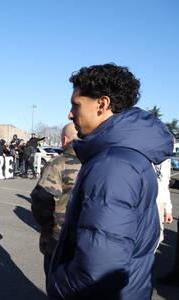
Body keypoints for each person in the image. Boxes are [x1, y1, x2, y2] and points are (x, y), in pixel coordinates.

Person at [47, 63, 174, 299]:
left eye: (76, 105)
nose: (70, 114)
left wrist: (58, 285)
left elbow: (99, 269)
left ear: (102, 104)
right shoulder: (123, 156)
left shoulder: (113, 165)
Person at [30, 122, 81, 280]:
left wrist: (45, 228)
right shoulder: (100, 159)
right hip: (92, 239)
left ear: (65, 139)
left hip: (61, 237)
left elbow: (42, 199)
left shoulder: (58, 163)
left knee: (57, 284)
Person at [155, 158, 174, 248]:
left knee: (157, 237)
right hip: (144, 202)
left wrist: (168, 210)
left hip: (159, 203)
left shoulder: (166, 160)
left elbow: (165, 185)